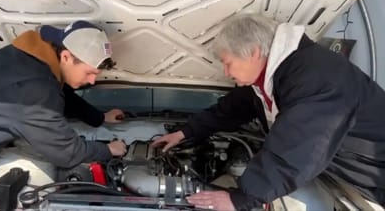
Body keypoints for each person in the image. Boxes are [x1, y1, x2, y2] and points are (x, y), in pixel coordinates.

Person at [152, 14, 385, 210]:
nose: (225, 71)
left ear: (253, 52)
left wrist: (240, 198)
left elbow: (294, 150)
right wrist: (185, 132)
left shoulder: (315, 79)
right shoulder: (278, 74)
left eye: (227, 62)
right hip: (358, 173)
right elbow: (231, 109)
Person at [0, 20, 127, 168]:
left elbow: (61, 92)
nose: (92, 81)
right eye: (89, 73)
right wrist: (109, 149)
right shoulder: (36, 90)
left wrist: (100, 117)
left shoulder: (26, 59)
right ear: (66, 57)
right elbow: (67, 153)